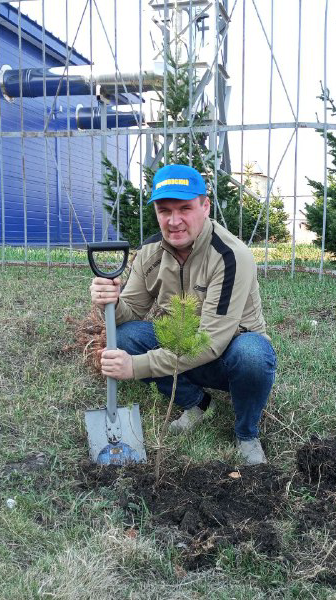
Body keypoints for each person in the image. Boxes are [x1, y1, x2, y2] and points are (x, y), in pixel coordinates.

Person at [90, 164, 276, 465]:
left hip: (230, 357)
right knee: (125, 338)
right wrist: (109, 301)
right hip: (181, 348)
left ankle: (246, 433)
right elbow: (130, 315)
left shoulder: (231, 256)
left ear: (205, 206)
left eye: (185, 208)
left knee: (254, 354)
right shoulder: (150, 253)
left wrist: (135, 367)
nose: (174, 221)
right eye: (164, 211)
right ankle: (196, 403)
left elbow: (212, 343)